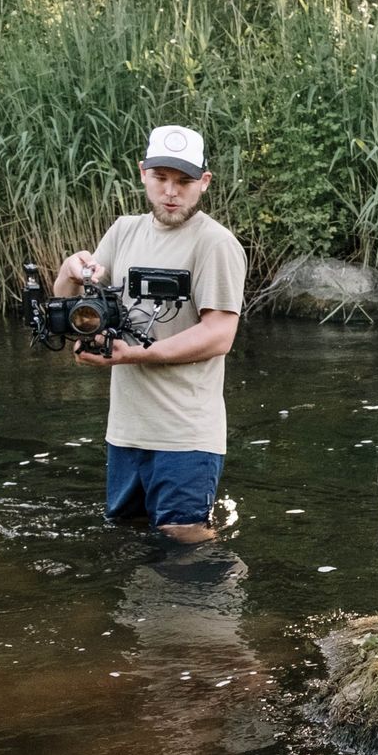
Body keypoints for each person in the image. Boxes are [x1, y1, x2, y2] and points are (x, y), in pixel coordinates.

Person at [50, 125, 248, 542]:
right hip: (125, 431)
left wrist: (136, 354)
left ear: (204, 183)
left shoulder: (216, 244)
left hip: (186, 435)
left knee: (185, 541)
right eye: (161, 179)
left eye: (184, 181)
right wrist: (68, 274)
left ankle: (230, 601)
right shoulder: (123, 231)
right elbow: (76, 310)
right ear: (142, 174)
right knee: (129, 539)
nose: (171, 192)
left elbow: (219, 335)